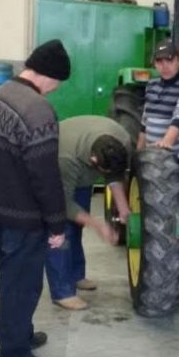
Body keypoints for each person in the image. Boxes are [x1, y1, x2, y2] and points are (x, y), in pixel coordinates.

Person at [0, 39, 70, 357]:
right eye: (57, 83)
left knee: (10, 279)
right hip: (25, 217)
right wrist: (57, 225)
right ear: (48, 75)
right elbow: (45, 176)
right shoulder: (38, 109)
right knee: (22, 286)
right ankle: (14, 351)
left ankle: (22, 333)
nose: (55, 89)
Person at [46, 115, 132, 311]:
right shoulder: (65, 158)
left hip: (82, 178)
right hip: (57, 176)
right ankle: (62, 292)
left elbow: (115, 175)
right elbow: (63, 204)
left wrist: (124, 208)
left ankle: (76, 275)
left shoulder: (122, 140)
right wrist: (98, 225)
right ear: (94, 160)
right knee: (60, 232)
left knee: (77, 225)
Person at [137, 38, 179, 202]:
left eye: (169, 60)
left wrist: (167, 142)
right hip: (153, 159)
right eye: (159, 61)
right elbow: (145, 121)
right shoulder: (152, 85)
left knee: (176, 209)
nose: (164, 66)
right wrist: (139, 153)